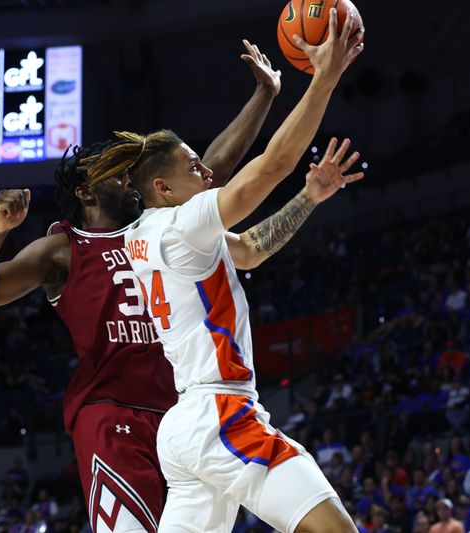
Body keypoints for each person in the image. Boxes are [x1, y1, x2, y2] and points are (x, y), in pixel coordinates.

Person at [0, 41, 284, 532]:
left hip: (181, 414)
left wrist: (265, 94)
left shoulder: (160, 224)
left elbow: (212, 168)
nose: (131, 181)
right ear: (86, 191)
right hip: (112, 413)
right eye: (115, 175)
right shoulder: (64, 248)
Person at [105, 9, 364, 532]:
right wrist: (325, 79)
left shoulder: (146, 236)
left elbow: (247, 249)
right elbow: (273, 164)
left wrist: (310, 198)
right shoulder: (179, 225)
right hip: (219, 413)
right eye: (193, 166)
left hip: (187, 425)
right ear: (162, 189)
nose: (206, 171)